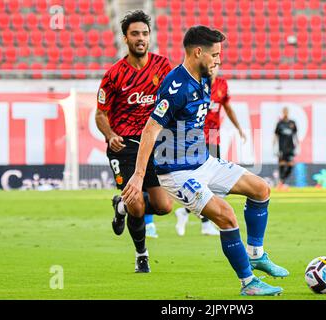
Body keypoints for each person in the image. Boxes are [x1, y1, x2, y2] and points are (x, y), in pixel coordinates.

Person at [121, 26, 289, 296]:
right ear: (197, 52)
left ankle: (256, 255)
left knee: (261, 189)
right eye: (215, 54)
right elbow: (151, 128)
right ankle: (249, 284)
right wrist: (140, 174)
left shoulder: (205, 78)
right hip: (176, 172)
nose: (218, 60)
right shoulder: (176, 86)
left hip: (203, 162)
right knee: (226, 216)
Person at [95, 10, 173, 273]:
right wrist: (110, 135)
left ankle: (122, 204)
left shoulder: (163, 66)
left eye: (145, 34)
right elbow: (100, 113)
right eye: (135, 34)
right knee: (137, 202)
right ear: (125, 38)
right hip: (125, 147)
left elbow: (173, 100)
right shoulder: (114, 75)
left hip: (154, 145)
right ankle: (142, 255)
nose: (141, 38)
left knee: (164, 206)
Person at [174, 65, 247, 237]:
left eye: (216, 65)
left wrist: (239, 128)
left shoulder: (222, 85)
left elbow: (227, 108)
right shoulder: (197, 84)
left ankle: (186, 213)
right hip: (195, 138)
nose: (213, 69)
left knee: (211, 182)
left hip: (214, 138)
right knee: (201, 181)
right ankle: (205, 223)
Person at [274, 107, 299, 189]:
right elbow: (276, 136)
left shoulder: (292, 123)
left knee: (291, 164)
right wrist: (274, 147)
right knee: (282, 163)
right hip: (282, 148)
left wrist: (298, 145)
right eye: (284, 111)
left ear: (288, 112)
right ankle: (281, 183)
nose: (285, 113)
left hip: (290, 147)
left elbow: (295, 135)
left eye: (286, 111)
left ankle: (281, 182)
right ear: (282, 112)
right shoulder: (280, 123)